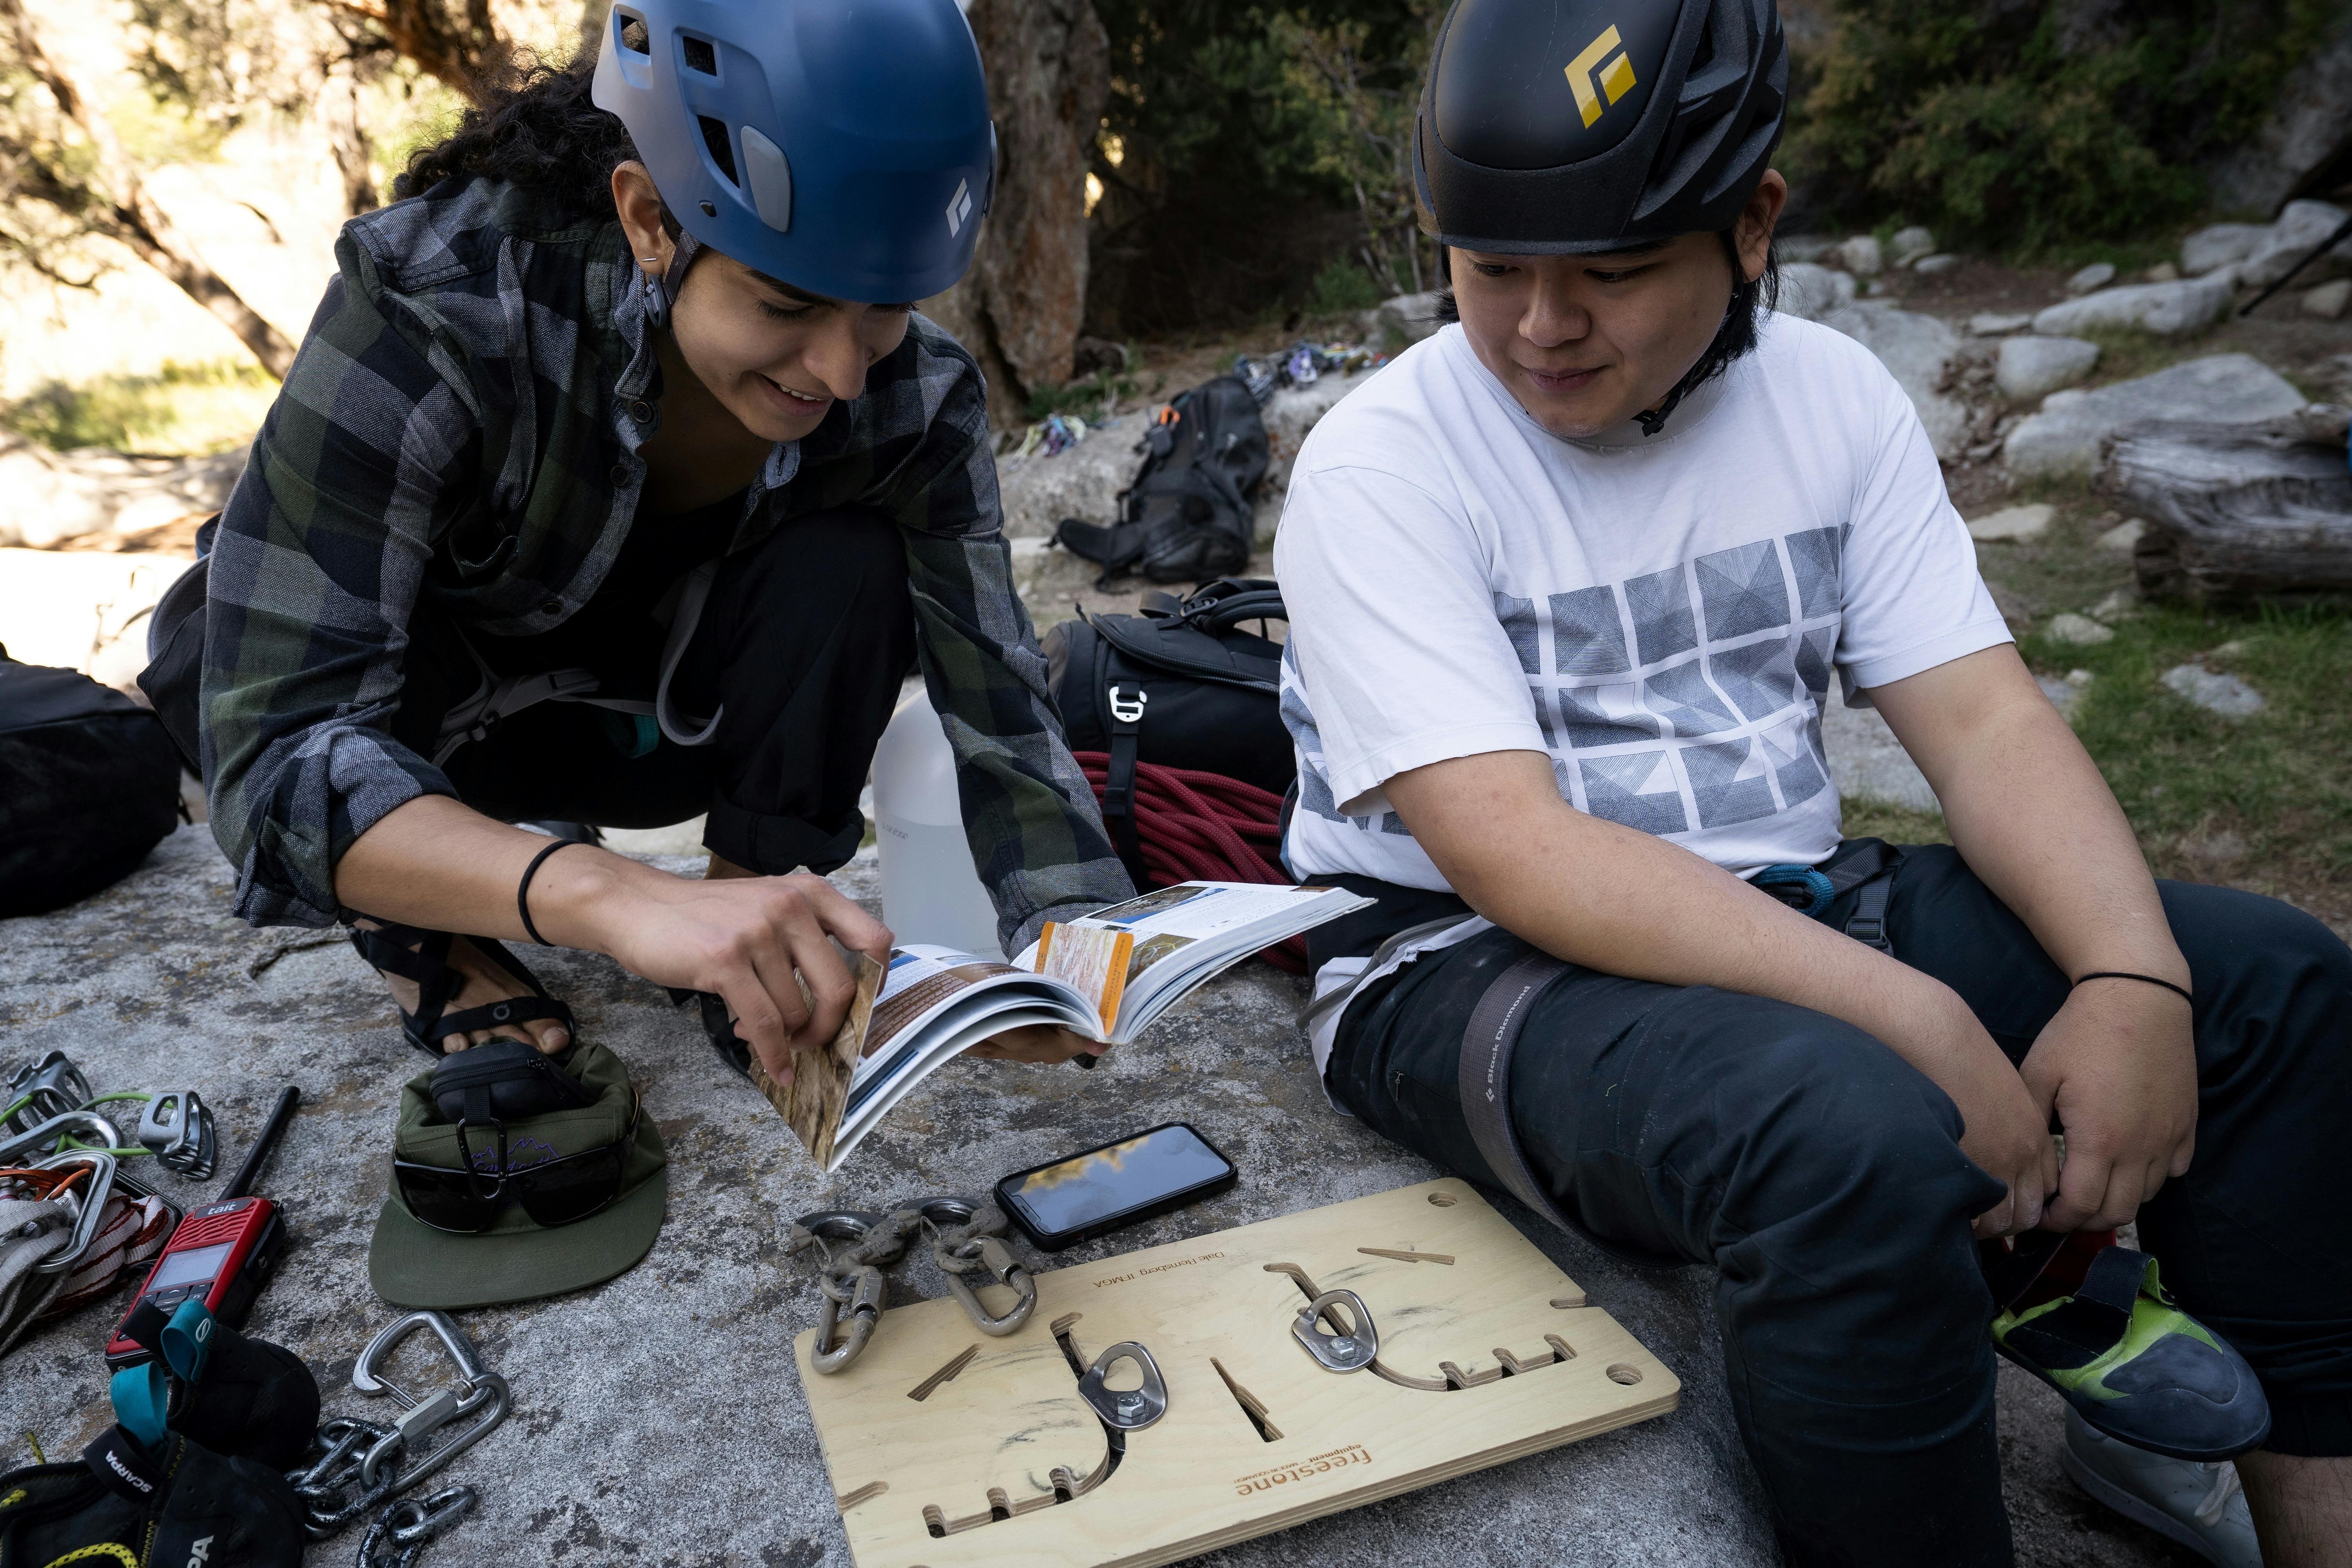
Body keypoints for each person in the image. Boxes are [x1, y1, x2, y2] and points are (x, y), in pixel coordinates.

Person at [1274, 0, 2352, 1563]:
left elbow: (1982, 722)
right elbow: (1515, 852)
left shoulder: (1834, 401)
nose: (1539, 327)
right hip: (1462, 960)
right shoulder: (1386, 463)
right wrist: (1907, 1013)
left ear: (1754, 223)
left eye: (1616, 271)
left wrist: (2131, 975)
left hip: (1782, 900)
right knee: (1848, 1134)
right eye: (1492, 265)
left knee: (2277, 987)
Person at [144, 0, 1129, 1084]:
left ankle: (757, 914)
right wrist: (608, 895)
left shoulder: (912, 397)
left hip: (649, 737)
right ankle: (426, 927)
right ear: (652, 219)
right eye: (787, 304)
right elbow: (276, 758)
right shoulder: (439, 307)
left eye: (886, 311)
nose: (845, 373)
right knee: (218, 652)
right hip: (431, 747)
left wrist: (1076, 948)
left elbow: (998, 698)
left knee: (854, 561)